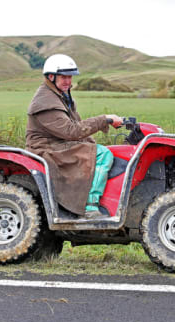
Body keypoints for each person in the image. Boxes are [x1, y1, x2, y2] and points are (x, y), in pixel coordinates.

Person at [26, 54, 123, 219]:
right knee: (103, 154)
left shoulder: (61, 96)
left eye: (70, 77)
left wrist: (93, 142)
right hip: (47, 149)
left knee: (102, 151)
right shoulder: (45, 102)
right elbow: (72, 132)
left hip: (59, 144)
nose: (68, 81)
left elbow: (78, 127)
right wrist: (104, 119)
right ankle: (90, 206)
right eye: (64, 77)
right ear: (51, 76)